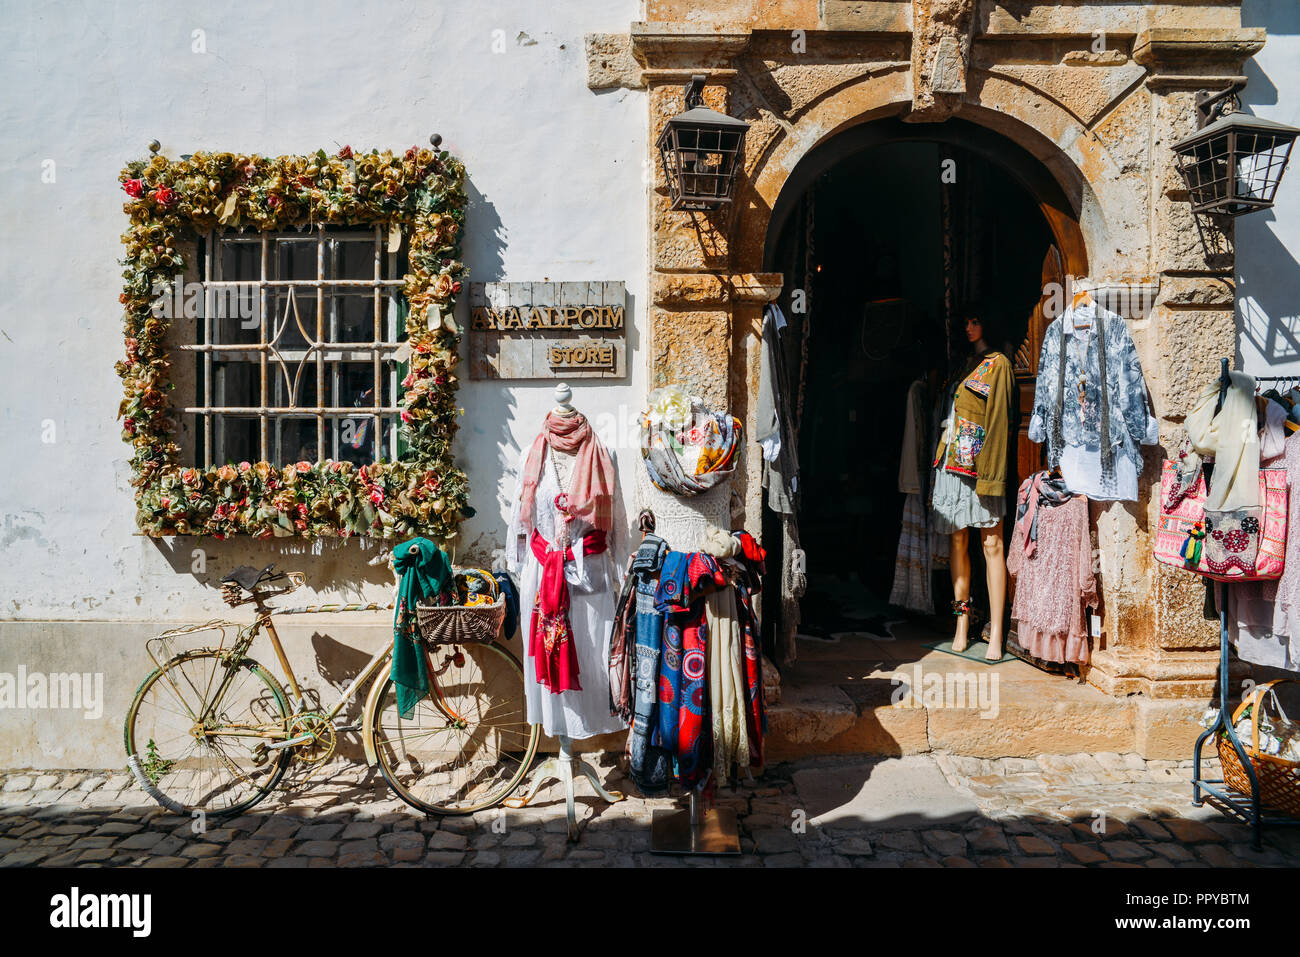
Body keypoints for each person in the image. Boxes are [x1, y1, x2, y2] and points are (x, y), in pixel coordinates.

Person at [930, 306, 1015, 660]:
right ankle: (961, 622)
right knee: (958, 539)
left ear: (988, 324)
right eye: (965, 321)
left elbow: (1000, 423)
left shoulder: (1001, 366)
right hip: (951, 460)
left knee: (992, 544)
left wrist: (993, 476)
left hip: (981, 467)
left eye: (975, 320)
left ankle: (997, 630)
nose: (969, 327)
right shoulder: (964, 364)